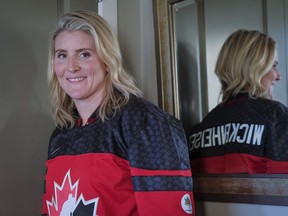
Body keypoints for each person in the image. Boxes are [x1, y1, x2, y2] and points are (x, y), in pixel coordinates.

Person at [42, 10, 195, 216]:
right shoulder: (61, 134)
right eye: (62, 55)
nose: (71, 67)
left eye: (84, 54)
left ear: (107, 61)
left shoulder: (146, 123)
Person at [189, 29, 288, 174]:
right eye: (273, 65)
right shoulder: (276, 117)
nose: (278, 76)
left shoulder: (199, 130)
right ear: (254, 67)